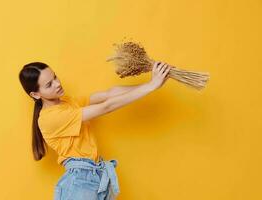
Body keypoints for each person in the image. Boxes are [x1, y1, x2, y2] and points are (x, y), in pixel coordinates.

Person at [18, 61, 171, 200]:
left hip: (93, 176)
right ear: (35, 94)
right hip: (79, 181)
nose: (57, 84)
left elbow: (108, 94)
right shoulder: (51, 118)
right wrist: (151, 86)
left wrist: (152, 83)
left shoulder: (67, 102)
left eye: (55, 77)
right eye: (49, 84)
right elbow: (106, 107)